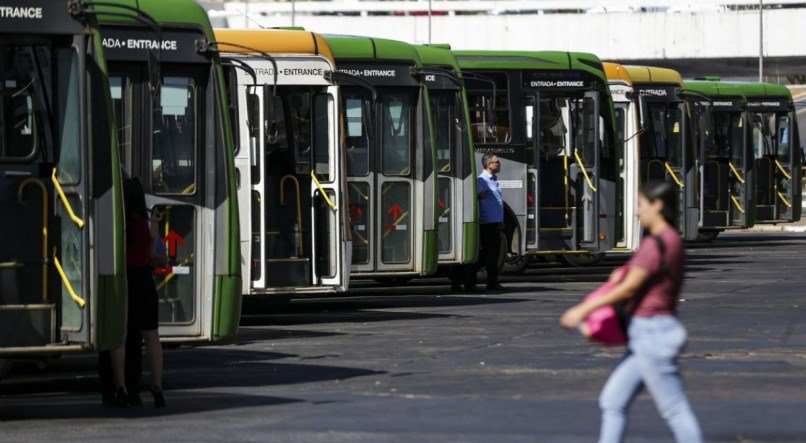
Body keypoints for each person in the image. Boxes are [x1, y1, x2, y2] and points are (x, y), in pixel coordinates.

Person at [559, 181, 702, 443]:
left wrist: (582, 309)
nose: (637, 211)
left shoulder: (657, 243)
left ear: (657, 205)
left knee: (674, 409)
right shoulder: (669, 239)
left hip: (653, 333)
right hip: (647, 335)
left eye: (640, 204)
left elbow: (629, 288)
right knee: (612, 401)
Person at [123, 177, 168, 407]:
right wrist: (153, 234)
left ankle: (128, 388)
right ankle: (157, 384)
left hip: (125, 282)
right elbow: (157, 257)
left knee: (128, 337)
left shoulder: (118, 224)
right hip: (145, 282)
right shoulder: (149, 226)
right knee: (151, 335)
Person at [476, 153, 505, 292]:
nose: (499, 164)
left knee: (493, 253)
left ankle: (492, 281)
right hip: (488, 222)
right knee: (488, 254)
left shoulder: (493, 180)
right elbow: (477, 195)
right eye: (497, 162)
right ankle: (488, 281)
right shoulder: (482, 180)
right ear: (489, 165)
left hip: (495, 221)